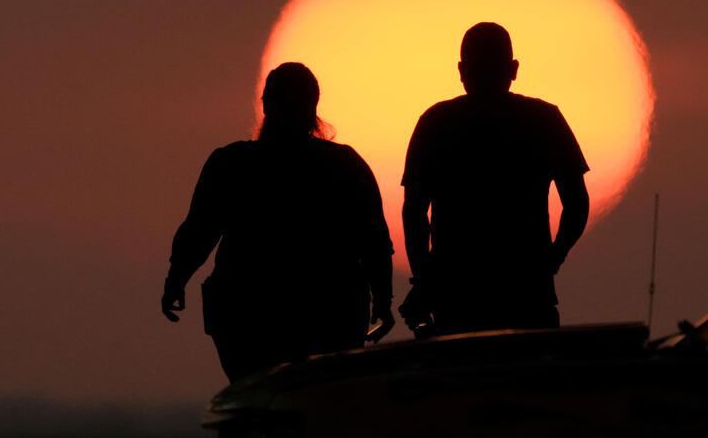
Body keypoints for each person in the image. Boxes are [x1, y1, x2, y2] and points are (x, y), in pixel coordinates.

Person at [161, 62, 395, 382]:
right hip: (329, 315)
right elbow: (374, 241)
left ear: (265, 104)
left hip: (249, 319)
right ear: (313, 106)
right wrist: (383, 299)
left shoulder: (231, 164)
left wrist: (176, 279)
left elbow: (199, 230)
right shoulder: (345, 165)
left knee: (259, 401)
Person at [400, 22, 590, 336]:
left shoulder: (435, 122)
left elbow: (414, 211)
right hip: (528, 292)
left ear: (461, 70)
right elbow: (577, 203)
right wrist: (553, 256)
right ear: (513, 69)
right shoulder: (544, 120)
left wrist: (424, 278)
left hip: (457, 295)